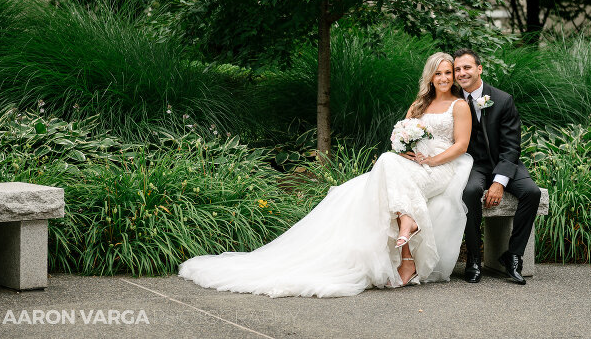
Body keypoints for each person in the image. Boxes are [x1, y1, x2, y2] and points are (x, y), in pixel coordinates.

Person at [179, 52, 473, 297]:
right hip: (411, 163)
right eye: (439, 74)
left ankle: (407, 236)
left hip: (440, 167)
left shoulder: (459, 106)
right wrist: (404, 150)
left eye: (449, 73)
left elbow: (461, 145)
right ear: (430, 77)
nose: (445, 78)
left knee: (384, 166)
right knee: (387, 159)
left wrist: (431, 160)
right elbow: (400, 138)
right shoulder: (418, 105)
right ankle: (407, 236)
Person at [453, 48, 541, 285]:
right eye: (457, 69)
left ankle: (513, 255)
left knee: (532, 193)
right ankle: (473, 257)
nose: (462, 73)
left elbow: (512, 146)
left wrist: (499, 182)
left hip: (505, 160)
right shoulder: (452, 100)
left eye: (467, 67)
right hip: (474, 165)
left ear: (479, 69)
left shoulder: (502, 100)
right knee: (470, 192)